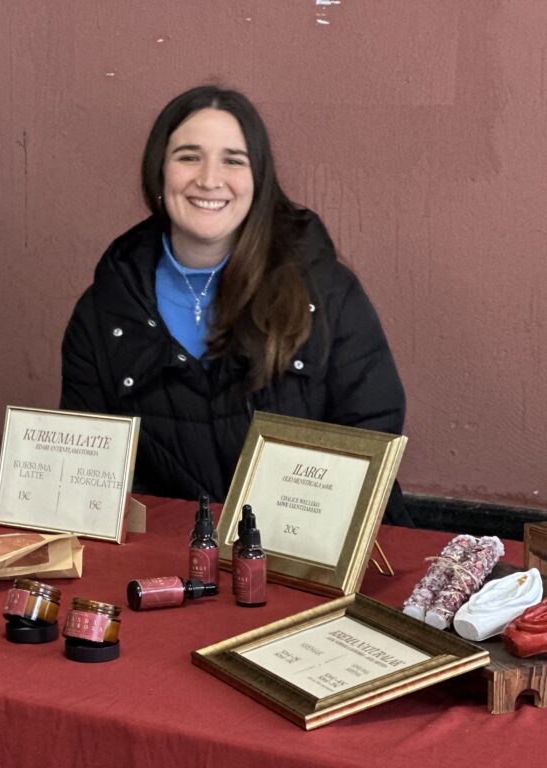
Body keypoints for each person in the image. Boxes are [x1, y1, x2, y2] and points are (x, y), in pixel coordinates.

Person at [60, 85, 411, 525]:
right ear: (159, 171)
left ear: (258, 179)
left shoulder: (323, 289)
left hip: (310, 547)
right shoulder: (106, 309)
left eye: (233, 160)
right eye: (189, 156)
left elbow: (371, 428)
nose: (209, 179)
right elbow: (90, 471)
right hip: (172, 553)